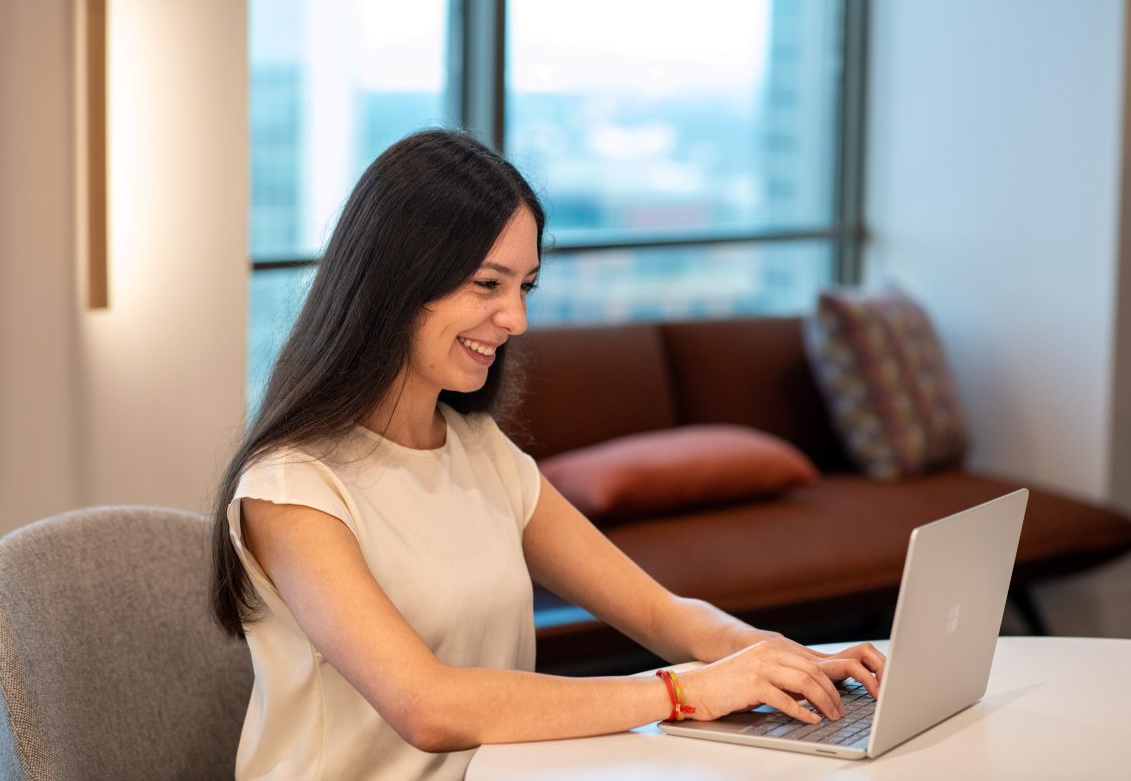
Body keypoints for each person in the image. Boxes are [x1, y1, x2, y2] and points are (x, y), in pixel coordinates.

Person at [209, 129, 885, 780]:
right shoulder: (292, 488)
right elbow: (427, 706)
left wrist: (793, 662)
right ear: (397, 279)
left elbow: (659, 612)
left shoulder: (479, 451)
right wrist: (682, 691)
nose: (516, 319)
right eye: (487, 283)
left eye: (524, 286)